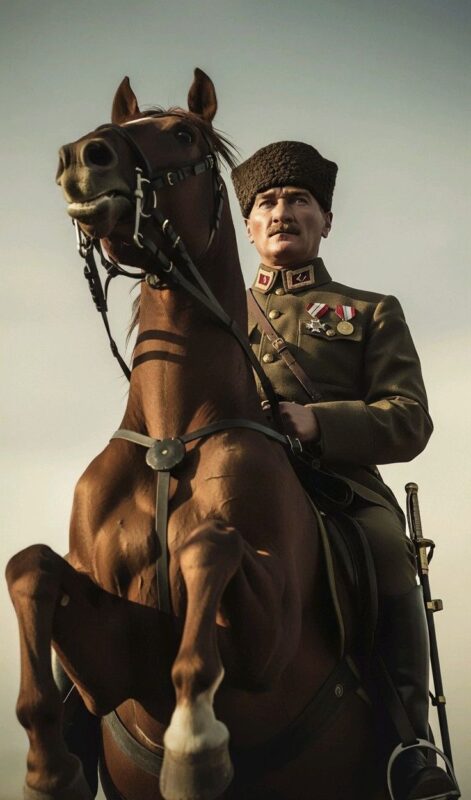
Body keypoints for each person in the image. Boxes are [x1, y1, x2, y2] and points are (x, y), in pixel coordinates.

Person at [231, 141, 457, 800]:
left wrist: (318, 423)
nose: (282, 212)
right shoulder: (213, 316)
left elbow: (408, 419)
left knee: (389, 555)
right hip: (224, 487)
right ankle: (78, 718)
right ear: (247, 225)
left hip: (338, 492)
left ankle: (409, 744)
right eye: (267, 202)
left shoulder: (368, 311)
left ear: (324, 219)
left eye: (298, 200)